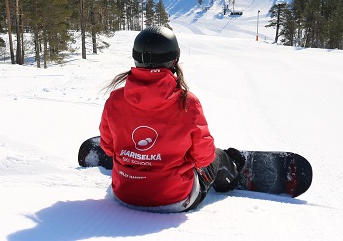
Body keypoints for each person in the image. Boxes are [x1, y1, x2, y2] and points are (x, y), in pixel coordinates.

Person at [98, 25, 245, 212]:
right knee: (217, 155)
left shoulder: (116, 99)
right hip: (173, 199)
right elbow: (204, 155)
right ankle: (230, 177)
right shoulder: (187, 103)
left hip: (123, 195)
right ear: (174, 60)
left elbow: (108, 147)